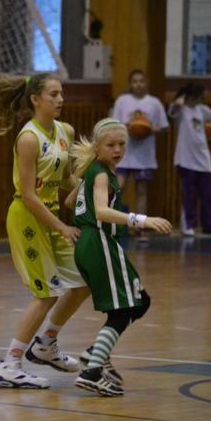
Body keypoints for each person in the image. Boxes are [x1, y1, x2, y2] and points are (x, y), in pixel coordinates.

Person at [0, 73, 91, 389]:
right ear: (35, 99)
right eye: (53, 94)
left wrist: (91, 184)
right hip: (28, 217)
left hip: (51, 216)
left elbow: (65, 179)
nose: (60, 99)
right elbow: (30, 195)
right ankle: (9, 364)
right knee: (46, 293)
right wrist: (62, 226)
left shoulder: (65, 131)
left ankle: (46, 344)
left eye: (62, 94)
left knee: (84, 281)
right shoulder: (29, 138)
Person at [68, 118, 172, 396]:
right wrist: (142, 220)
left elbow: (70, 201)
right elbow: (102, 212)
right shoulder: (101, 174)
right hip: (99, 241)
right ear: (97, 147)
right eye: (110, 145)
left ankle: (95, 354)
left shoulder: (93, 171)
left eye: (121, 144)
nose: (117, 150)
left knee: (140, 301)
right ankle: (91, 372)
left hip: (92, 242)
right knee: (124, 310)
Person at [111, 70, 169, 237]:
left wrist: (148, 128)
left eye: (141, 81)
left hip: (144, 156)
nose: (138, 84)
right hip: (123, 153)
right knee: (117, 189)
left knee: (142, 190)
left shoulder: (154, 103)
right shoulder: (122, 101)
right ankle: (112, 224)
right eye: (135, 81)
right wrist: (130, 127)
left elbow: (164, 127)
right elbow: (114, 123)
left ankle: (139, 227)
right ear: (130, 84)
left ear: (147, 83)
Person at [169, 82, 211, 236]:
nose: (201, 99)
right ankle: (188, 225)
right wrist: (178, 102)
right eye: (199, 96)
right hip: (186, 160)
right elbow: (172, 112)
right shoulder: (181, 111)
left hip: (204, 159)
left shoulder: (202, 110)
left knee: (208, 195)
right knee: (189, 194)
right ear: (190, 96)